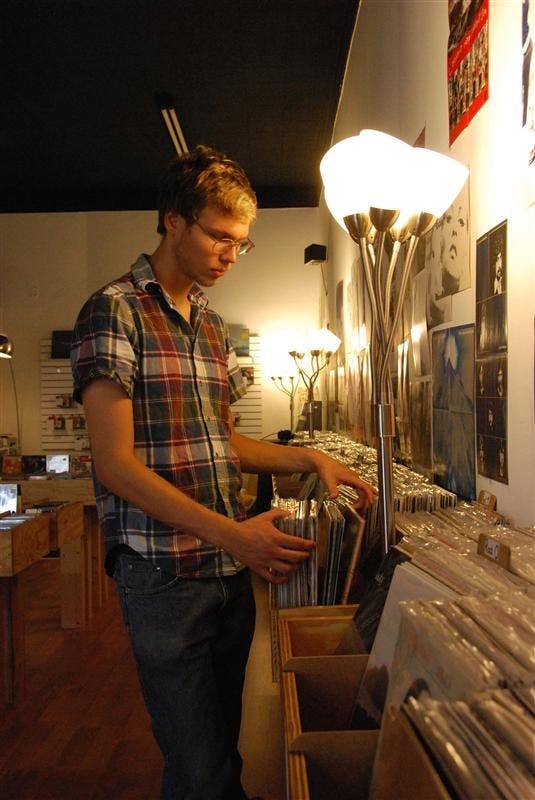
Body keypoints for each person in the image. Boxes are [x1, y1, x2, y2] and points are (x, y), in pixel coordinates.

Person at [70, 145, 376, 800]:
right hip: (162, 571)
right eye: (219, 236)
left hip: (225, 571)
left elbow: (220, 440)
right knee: (199, 768)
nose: (231, 254)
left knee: (219, 751)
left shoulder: (211, 324)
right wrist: (237, 534)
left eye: (242, 242)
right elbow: (114, 464)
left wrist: (310, 458)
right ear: (173, 220)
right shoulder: (113, 310)